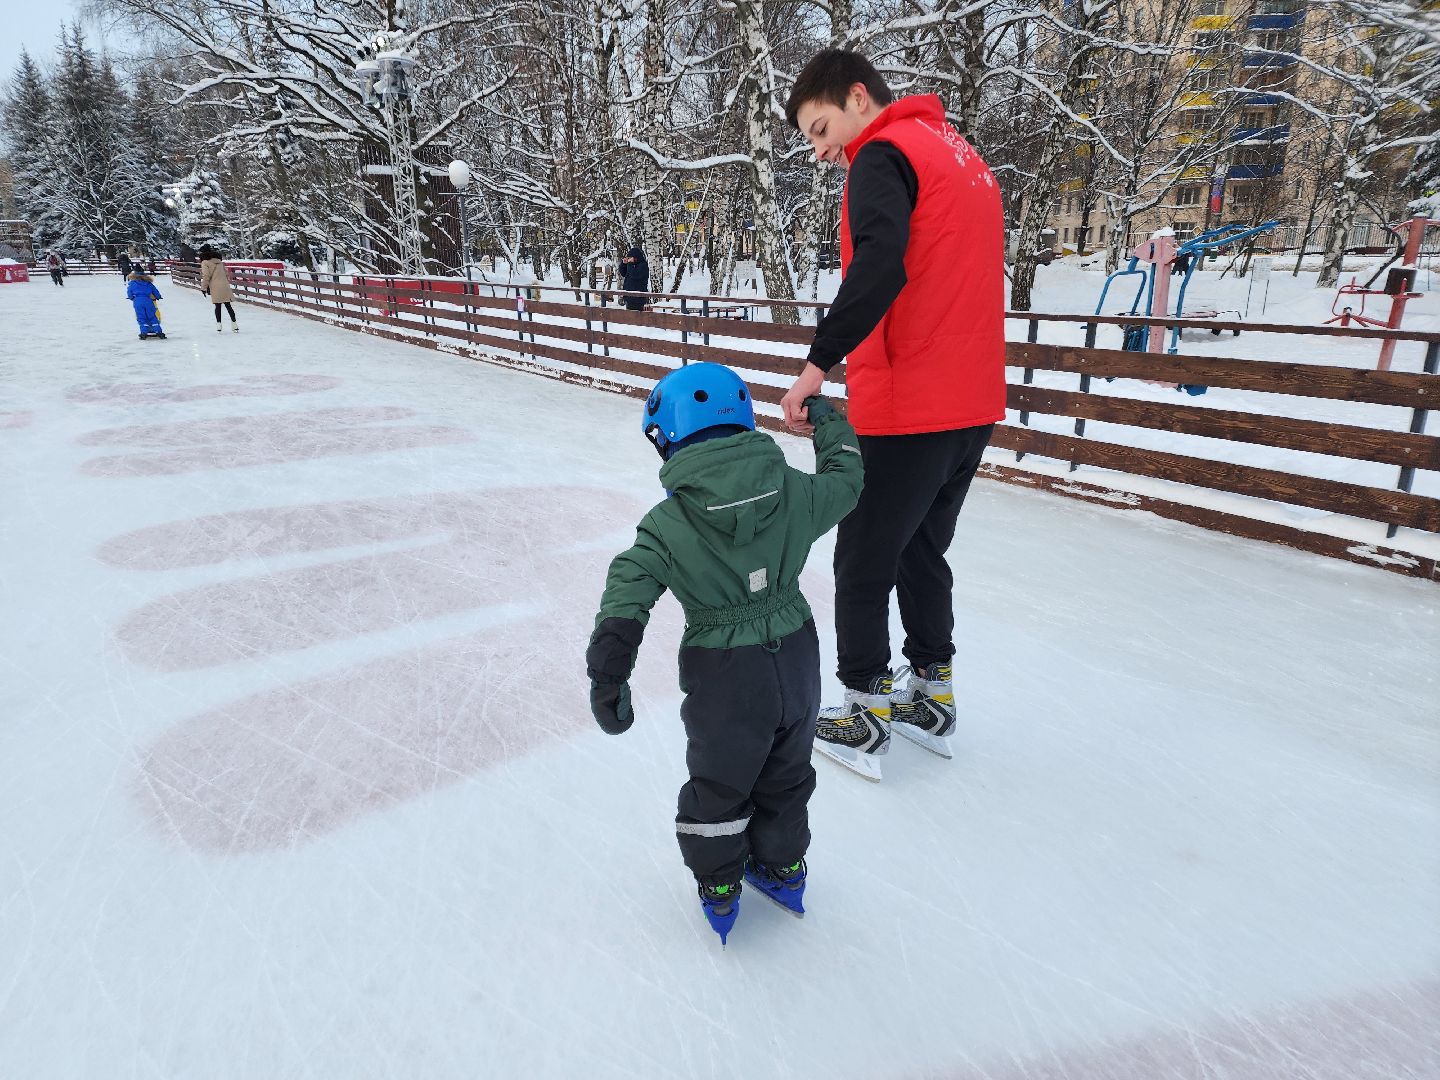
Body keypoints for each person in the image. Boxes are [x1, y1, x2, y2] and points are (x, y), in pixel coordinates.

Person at [778, 49, 1006, 780]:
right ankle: (929, 698)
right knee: (919, 550)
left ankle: (864, 712)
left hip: (913, 404)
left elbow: (880, 264)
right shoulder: (958, 153)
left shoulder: (882, 153)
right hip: (972, 403)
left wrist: (818, 365)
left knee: (863, 560)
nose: (821, 153)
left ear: (856, 97)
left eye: (821, 129)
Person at [586, 362, 862, 943]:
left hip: (724, 674)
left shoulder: (667, 523)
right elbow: (846, 479)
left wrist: (609, 674)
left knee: (719, 783)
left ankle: (720, 884)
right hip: (797, 658)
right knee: (786, 775)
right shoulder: (793, 490)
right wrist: (829, 422)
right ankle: (784, 869)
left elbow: (627, 589)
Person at [198, 245, 239, 332]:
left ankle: (219, 325)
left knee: (218, 306)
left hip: (215, 286)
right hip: (224, 285)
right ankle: (234, 324)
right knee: (228, 305)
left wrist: (203, 288)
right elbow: (226, 274)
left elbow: (206, 276)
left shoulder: (205, 262)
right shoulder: (219, 262)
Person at [126, 268, 166, 340]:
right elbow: (155, 290)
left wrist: (131, 298)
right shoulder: (148, 283)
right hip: (148, 301)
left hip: (137, 301)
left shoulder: (132, 283)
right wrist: (158, 297)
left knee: (141, 317)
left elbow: (129, 293)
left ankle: (144, 332)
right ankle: (158, 331)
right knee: (152, 316)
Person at [619, 244, 650, 310]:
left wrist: (630, 264)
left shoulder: (643, 265)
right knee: (630, 317)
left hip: (638, 298)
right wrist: (624, 264)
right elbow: (623, 273)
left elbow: (635, 275)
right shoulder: (632, 266)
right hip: (629, 296)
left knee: (638, 318)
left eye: (630, 258)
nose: (629, 259)